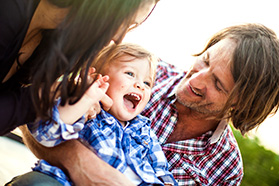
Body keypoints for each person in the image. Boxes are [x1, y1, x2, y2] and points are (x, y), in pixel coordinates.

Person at [17, 23, 279, 185]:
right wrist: (81, 163)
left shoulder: (226, 169)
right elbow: (32, 110)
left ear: (241, 107)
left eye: (218, 84)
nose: (196, 80)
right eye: (206, 60)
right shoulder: (136, 73)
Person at [26, 43, 177, 186]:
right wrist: (87, 99)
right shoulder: (88, 112)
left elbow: (161, 171)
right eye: (130, 73)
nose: (140, 86)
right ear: (98, 77)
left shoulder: (144, 130)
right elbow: (46, 133)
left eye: (147, 83)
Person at [0, 0, 159, 135]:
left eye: (131, 26)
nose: (118, 39)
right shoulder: (9, 10)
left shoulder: (55, 46)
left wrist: (60, 92)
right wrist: (45, 96)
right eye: (122, 20)